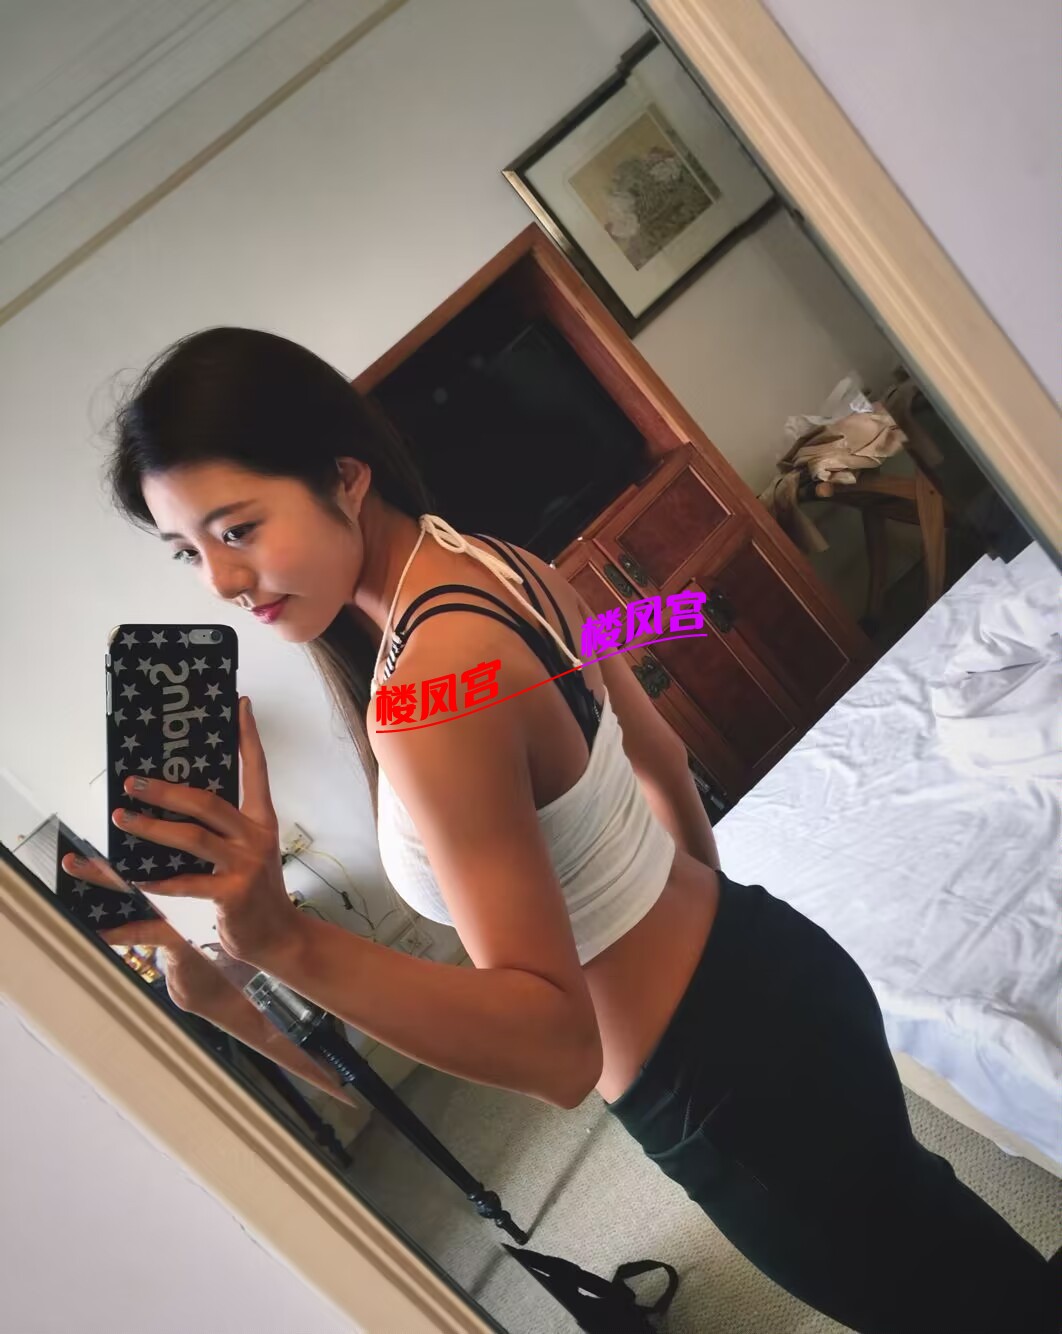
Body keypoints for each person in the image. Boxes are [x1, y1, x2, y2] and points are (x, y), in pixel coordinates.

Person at [66, 327, 1058, 1333]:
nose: (220, 582)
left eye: (237, 529)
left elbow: (556, 1049)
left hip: (721, 1086)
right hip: (771, 961)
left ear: (345, 476)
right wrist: (701, 929)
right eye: (189, 551)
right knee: (953, 1246)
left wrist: (285, 941)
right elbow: (660, 755)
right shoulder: (497, 562)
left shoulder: (425, 693)